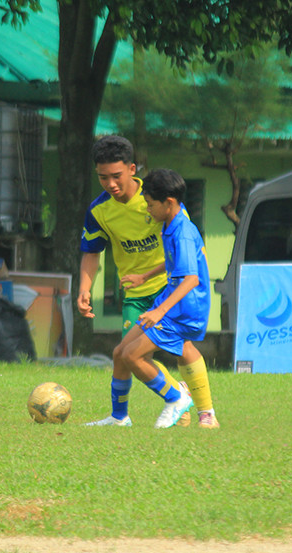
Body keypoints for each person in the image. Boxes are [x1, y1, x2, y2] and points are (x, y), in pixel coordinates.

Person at [79, 136, 217, 428]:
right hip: (136, 293)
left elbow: (184, 257)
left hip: (170, 292)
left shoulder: (159, 197)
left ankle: (202, 411)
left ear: (131, 169)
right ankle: (121, 417)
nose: (111, 184)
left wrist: (161, 298)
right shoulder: (99, 211)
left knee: (180, 349)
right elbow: (91, 252)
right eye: (103, 178)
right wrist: (84, 289)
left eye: (116, 176)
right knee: (123, 354)